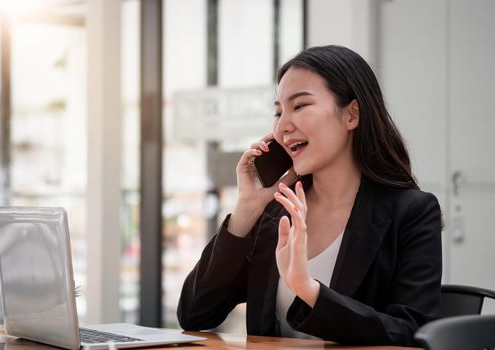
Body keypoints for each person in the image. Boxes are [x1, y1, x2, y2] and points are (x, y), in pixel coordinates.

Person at [177, 45, 442, 346]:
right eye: (278, 112)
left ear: (352, 114)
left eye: (300, 106)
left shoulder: (412, 212)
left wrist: (309, 290)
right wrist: (245, 212)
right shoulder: (276, 214)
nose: (282, 126)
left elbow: (413, 333)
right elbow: (194, 314)